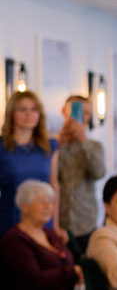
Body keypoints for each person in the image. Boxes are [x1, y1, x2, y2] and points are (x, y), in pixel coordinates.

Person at [0, 91, 64, 239]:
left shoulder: (50, 146)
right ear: (12, 114)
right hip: (10, 218)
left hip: (44, 221)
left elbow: (54, 184)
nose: (29, 114)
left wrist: (55, 224)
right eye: (23, 109)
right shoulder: (2, 147)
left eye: (34, 109)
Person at [58, 95, 106, 255]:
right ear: (64, 112)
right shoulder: (53, 145)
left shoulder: (95, 146)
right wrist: (60, 143)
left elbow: (98, 172)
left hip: (86, 220)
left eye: (87, 113)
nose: (82, 117)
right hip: (58, 221)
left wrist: (83, 141)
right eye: (77, 112)